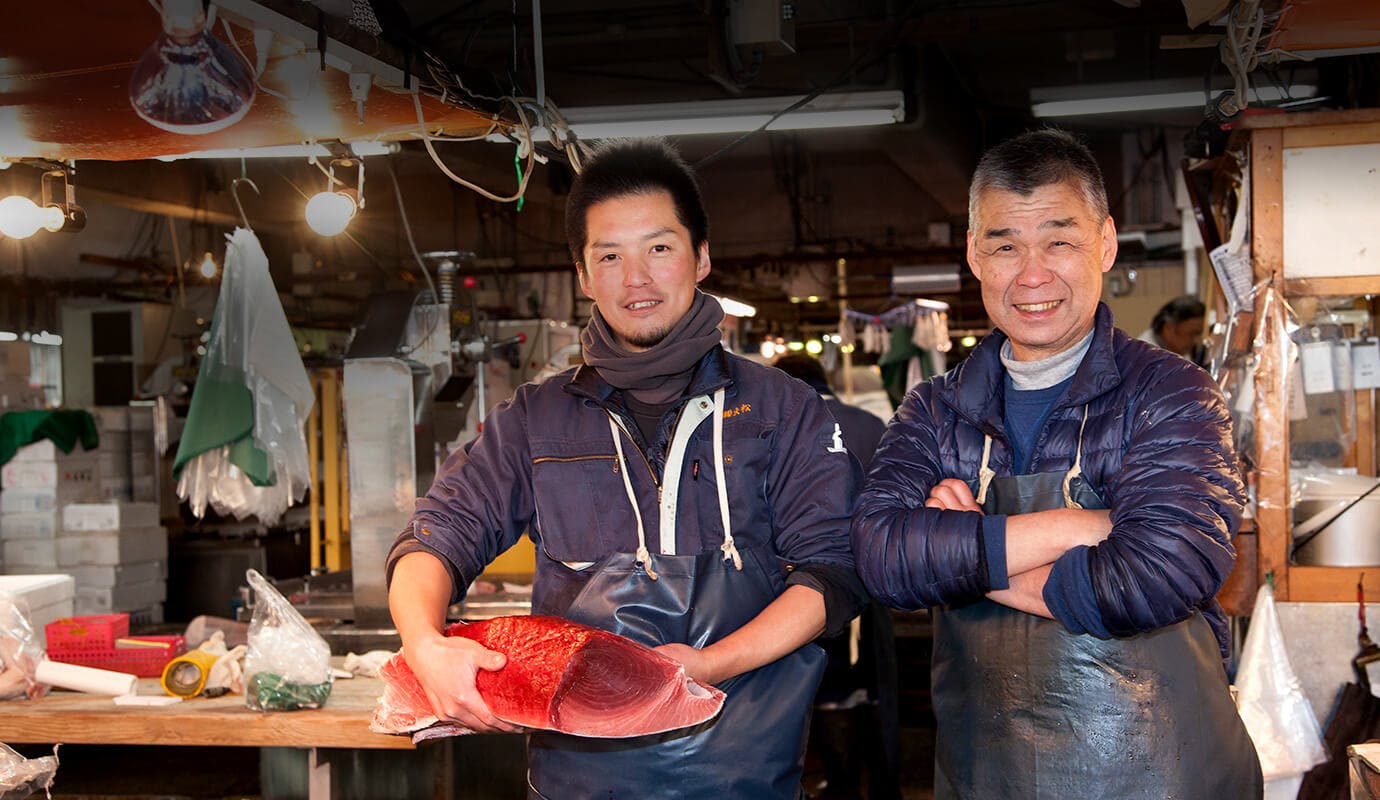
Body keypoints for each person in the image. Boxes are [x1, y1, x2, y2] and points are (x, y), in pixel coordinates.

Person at [387, 139, 869, 799]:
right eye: (609, 256)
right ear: (583, 275)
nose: (634, 280)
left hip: (743, 777)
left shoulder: (782, 410)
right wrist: (423, 642)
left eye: (658, 248)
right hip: (576, 783)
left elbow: (832, 572)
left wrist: (708, 665)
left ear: (701, 257)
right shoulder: (534, 419)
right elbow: (436, 536)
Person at [850, 129, 1262, 799]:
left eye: (1060, 241)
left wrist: (965, 559)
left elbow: (1159, 574)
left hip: (1164, 775)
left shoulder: (1171, 393)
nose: (1032, 274)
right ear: (973, 253)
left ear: (1105, 241)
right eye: (1005, 244)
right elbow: (881, 556)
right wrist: (1077, 527)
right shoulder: (934, 409)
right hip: (989, 777)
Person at [772, 353, 900, 800]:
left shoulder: (777, 427)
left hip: (802, 589)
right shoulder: (869, 424)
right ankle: (879, 786)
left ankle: (839, 787)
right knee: (872, 686)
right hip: (875, 582)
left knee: (824, 688)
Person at [1138, 294, 1206, 360]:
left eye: (1198, 334)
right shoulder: (1145, 357)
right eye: (1191, 334)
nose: (1195, 341)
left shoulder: (1179, 350)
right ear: (1168, 328)